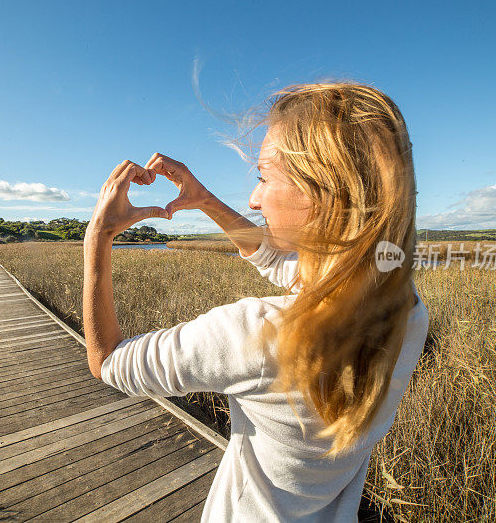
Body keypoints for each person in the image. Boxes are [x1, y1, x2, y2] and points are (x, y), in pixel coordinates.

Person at [82, 82, 429, 522]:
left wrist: (98, 237)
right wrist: (204, 199)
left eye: (264, 176)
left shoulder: (256, 334)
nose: (254, 197)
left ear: (322, 191)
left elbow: (108, 361)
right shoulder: (407, 310)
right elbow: (281, 263)